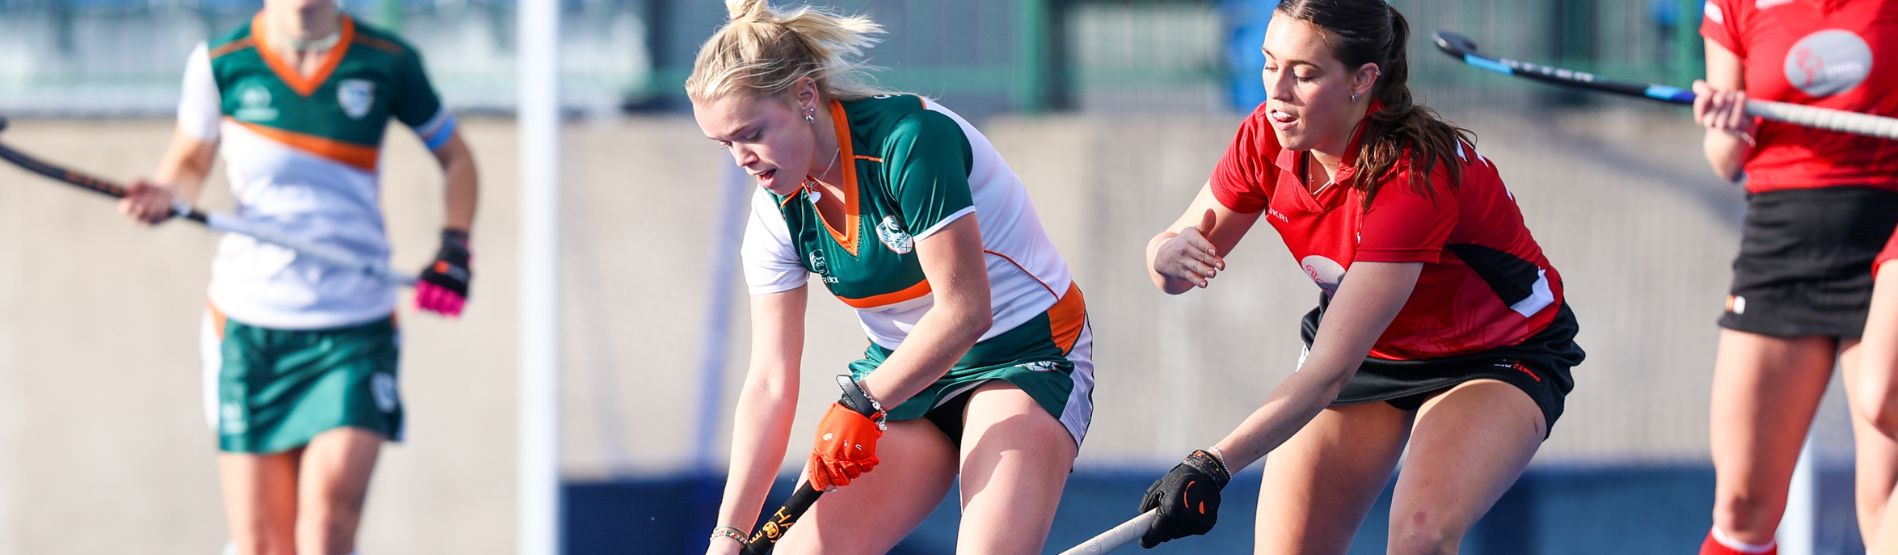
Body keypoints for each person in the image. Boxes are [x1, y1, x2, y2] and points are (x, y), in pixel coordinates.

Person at [1137, 1, 1583, 551]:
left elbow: (1328, 373)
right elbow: (1174, 264)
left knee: (1421, 536)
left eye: (1304, 74)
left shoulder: (1412, 177)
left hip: (1494, 354)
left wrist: (1211, 463)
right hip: (1376, 353)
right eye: (1268, 63)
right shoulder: (1264, 138)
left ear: (1362, 80)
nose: (1276, 93)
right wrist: (1164, 254)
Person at [689, 1, 1095, 553]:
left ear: (806, 96)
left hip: (1022, 355)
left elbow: (965, 312)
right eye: (724, 144)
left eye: (751, 132)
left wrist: (864, 402)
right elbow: (769, 382)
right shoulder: (773, 211)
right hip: (905, 380)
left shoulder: (911, 141)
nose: (742, 159)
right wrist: (728, 534)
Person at [117, 0, 477, 552]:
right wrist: (166, 195)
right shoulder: (221, 62)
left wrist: (455, 244)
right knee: (263, 545)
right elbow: (188, 164)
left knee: (325, 528)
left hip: (354, 330)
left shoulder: (388, 61)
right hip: (249, 329)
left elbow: (457, 159)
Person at [1691, 1, 1898, 553]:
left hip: (1888, 241)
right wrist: (1728, 125)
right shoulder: (1733, 5)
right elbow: (1723, 158)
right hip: (1781, 247)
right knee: (1741, 508)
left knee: (1885, 505)